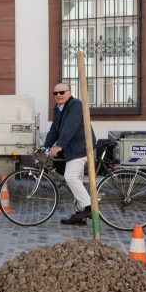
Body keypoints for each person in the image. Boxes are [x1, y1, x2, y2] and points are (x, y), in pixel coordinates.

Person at [43, 81, 93, 225]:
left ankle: (89, 208)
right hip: (71, 148)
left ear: (69, 92)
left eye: (61, 92)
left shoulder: (76, 104)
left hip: (81, 146)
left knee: (70, 177)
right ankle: (80, 216)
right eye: (55, 93)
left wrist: (59, 145)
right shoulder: (58, 108)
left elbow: (70, 126)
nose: (58, 95)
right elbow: (54, 129)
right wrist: (45, 146)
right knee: (76, 180)